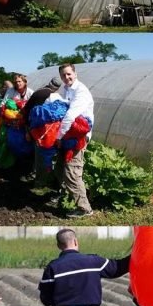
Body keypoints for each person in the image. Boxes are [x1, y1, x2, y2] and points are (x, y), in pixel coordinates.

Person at [56, 64, 95, 218]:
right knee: (59, 168)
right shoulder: (65, 89)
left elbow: (70, 116)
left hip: (77, 137)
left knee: (72, 171)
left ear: (75, 74)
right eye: (63, 75)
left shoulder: (81, 92)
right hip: (67, 133)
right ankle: (66, 195)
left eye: (69, 74)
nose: (67, 77)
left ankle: (85, 208)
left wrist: (58, 138)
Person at [21, 77, 62, 184]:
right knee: (42, 154)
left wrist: (27, 128)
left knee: (38, 153)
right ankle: (40, 178)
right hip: (44, 130)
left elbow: (26, 108)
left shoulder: (38, 91)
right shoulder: (52, 96)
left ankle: (38, 175)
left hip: (33, 126)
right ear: (57, 88)